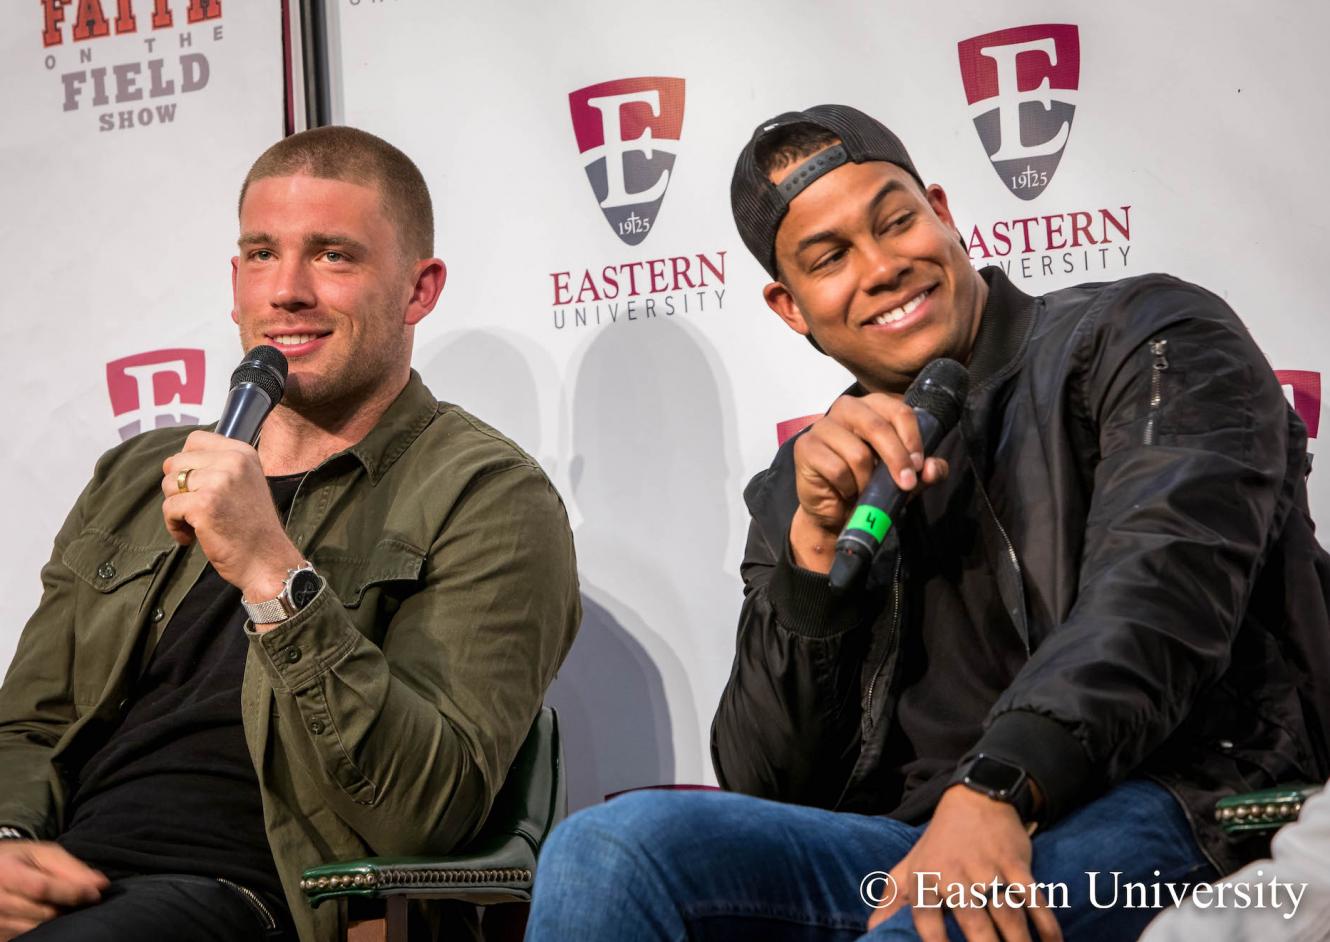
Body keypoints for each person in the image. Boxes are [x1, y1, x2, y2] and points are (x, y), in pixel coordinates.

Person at [525, 104, 1330, 941]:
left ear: (943, 214)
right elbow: (768, 781)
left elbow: (1158, 597)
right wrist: (811, 563)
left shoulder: (1146, 337)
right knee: (607, 847)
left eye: (896, 221)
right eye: (830, 257)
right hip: (909, 843)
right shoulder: (803, 484)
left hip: (1182, 797)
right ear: (790, 306)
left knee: (934, 926)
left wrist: (995, 789)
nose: (881, 267)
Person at [0, 126, 580, 942]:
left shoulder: (488, 497)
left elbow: (426, 811)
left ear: (419, 289)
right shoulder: (136, 477)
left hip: (249, 898)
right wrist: (9, 842)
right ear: (234, 281)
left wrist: (275, 573)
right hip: (69, 881)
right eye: (263, 254)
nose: (287, 291)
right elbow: (29, 724)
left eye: (334, 256)